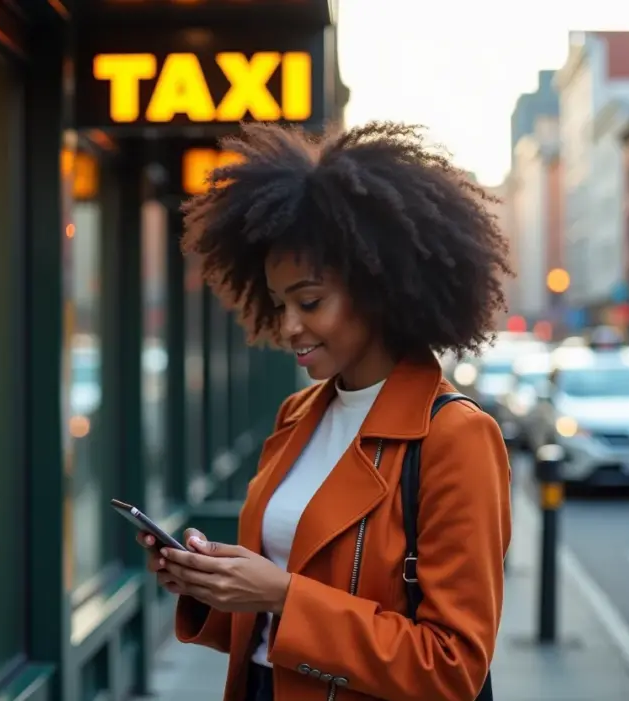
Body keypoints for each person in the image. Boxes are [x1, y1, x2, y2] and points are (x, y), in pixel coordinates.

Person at [137, 121, 513, 701]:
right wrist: (210, 584)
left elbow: (452, 666)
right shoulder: (297, 415)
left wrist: (283, 595)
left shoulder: (455, 436)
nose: (289, 327)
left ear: (379, 287)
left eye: (309, 301)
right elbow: (266, 621)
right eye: (280, 303)